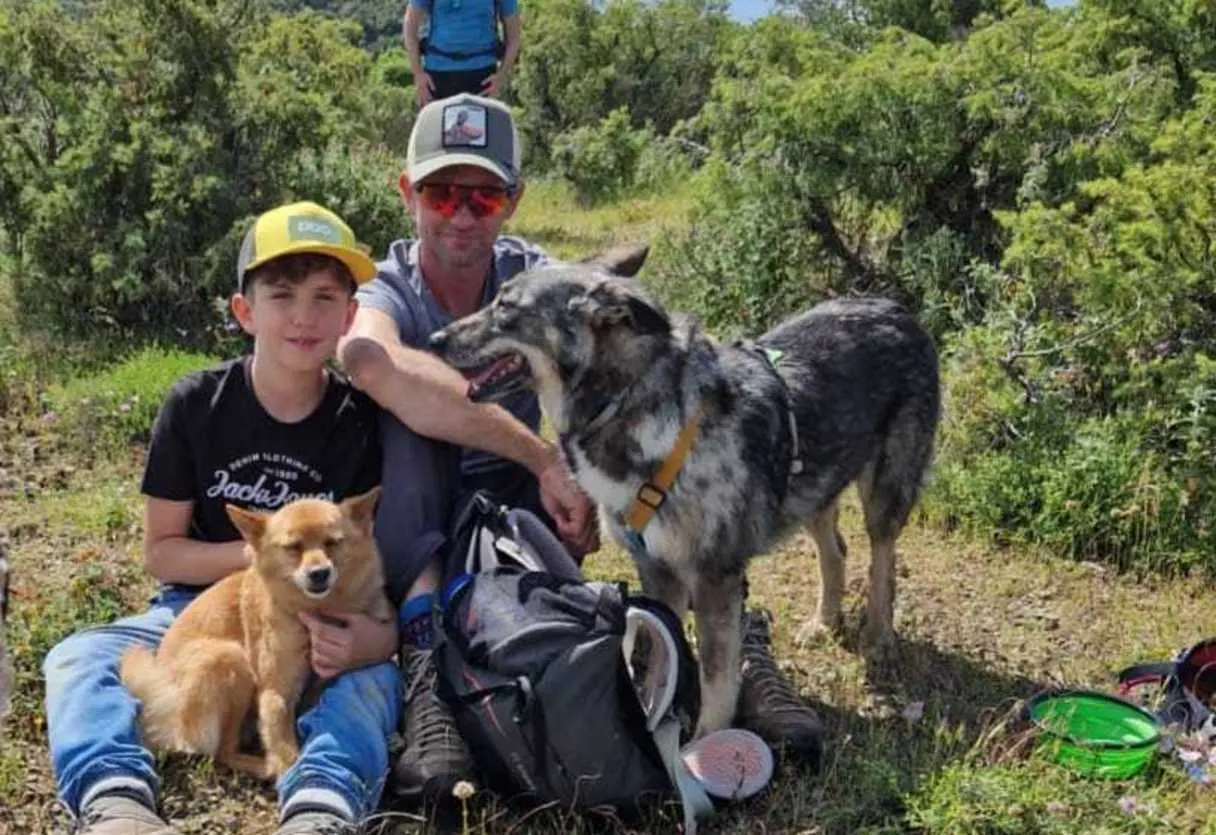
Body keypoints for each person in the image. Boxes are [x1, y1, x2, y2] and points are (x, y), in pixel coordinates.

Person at [339, 94, 824, 808]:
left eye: (484, 195)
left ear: (513, 201)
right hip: (428, 521)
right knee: (411, 430)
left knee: (655, 499)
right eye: (442, 193)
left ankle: (731, 648)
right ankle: (425, 673)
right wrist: (543, 458)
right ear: (408, 193)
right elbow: (369, 359)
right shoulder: (391, 288)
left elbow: (629, 334)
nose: (462, 215)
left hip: (523, 515)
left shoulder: (539, 275)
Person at [43, 202, 400, 835]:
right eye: (281, 294)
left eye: (324, 298)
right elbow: (163, 551)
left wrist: (377, 636)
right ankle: (114, 796)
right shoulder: (195, 405)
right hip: (190, 608)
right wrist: (266, 559)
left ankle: (322, 802)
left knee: (371, 679)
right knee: (77, 658)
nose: (302, 316)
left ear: (350, 316)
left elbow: (363, 559)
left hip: (323, 610)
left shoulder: (359, 422)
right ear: (244, 311)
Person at [403, 0, 521, 106]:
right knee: (434, 129)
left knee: (478, 129)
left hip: (483, 78)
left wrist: (501, 75)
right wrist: (417, 73)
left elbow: (514, 36)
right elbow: (410, 26)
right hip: (436, 77)